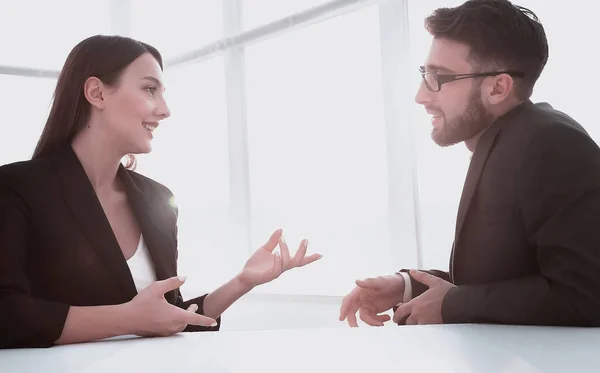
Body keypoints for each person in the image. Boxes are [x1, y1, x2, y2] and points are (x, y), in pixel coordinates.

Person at [0, 35, 322, 349]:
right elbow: (6, 314)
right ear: (97, 93)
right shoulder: (17, 188)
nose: (165, 110)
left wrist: (242, 281)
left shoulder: (157, 200)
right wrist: (127, 319)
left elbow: (169, 316)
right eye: (150, 89)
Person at [339, 0, 600, 327]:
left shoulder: (552, 144)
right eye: (424, 74)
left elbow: (584, 293)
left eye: (438, 77)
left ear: (497, 87)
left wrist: (452, 305)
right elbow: (505, 278)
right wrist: (406, 286)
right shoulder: (511, 142)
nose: (421, 94)